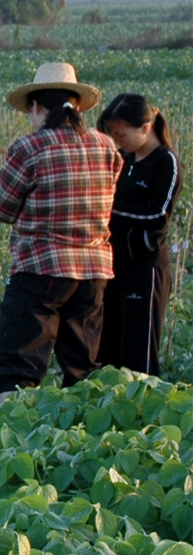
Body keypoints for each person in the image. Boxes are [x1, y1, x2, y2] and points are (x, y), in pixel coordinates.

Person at [0, 62, 122, 404]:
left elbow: (3, 210)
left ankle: (13, 430)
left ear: (36, 107)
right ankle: (86, 429)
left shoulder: (29, 147)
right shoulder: (106, 146)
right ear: (77, 106)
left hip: (40, 268)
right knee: (82, 369)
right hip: (93, 271)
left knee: (19, 367)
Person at [97, 94, 181, 376]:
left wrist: (111, 210)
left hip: (145, 266)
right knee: (108, 341)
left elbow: (158, 216)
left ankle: (145, 398)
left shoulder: (166, 163)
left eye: (121, 134)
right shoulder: (124, 159)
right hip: (113, 261)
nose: (116, 140)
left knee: (139, 346)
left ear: (145, 128)